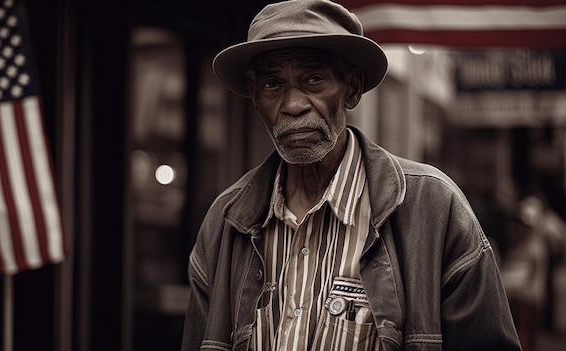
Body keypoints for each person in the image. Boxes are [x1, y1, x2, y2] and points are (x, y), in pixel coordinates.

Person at [181, 1, 521, 350]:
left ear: (352, 89)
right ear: (254, 95)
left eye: (314, 79)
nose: (293, 104)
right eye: (272, 83)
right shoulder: (225, 222)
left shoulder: (433, 208)